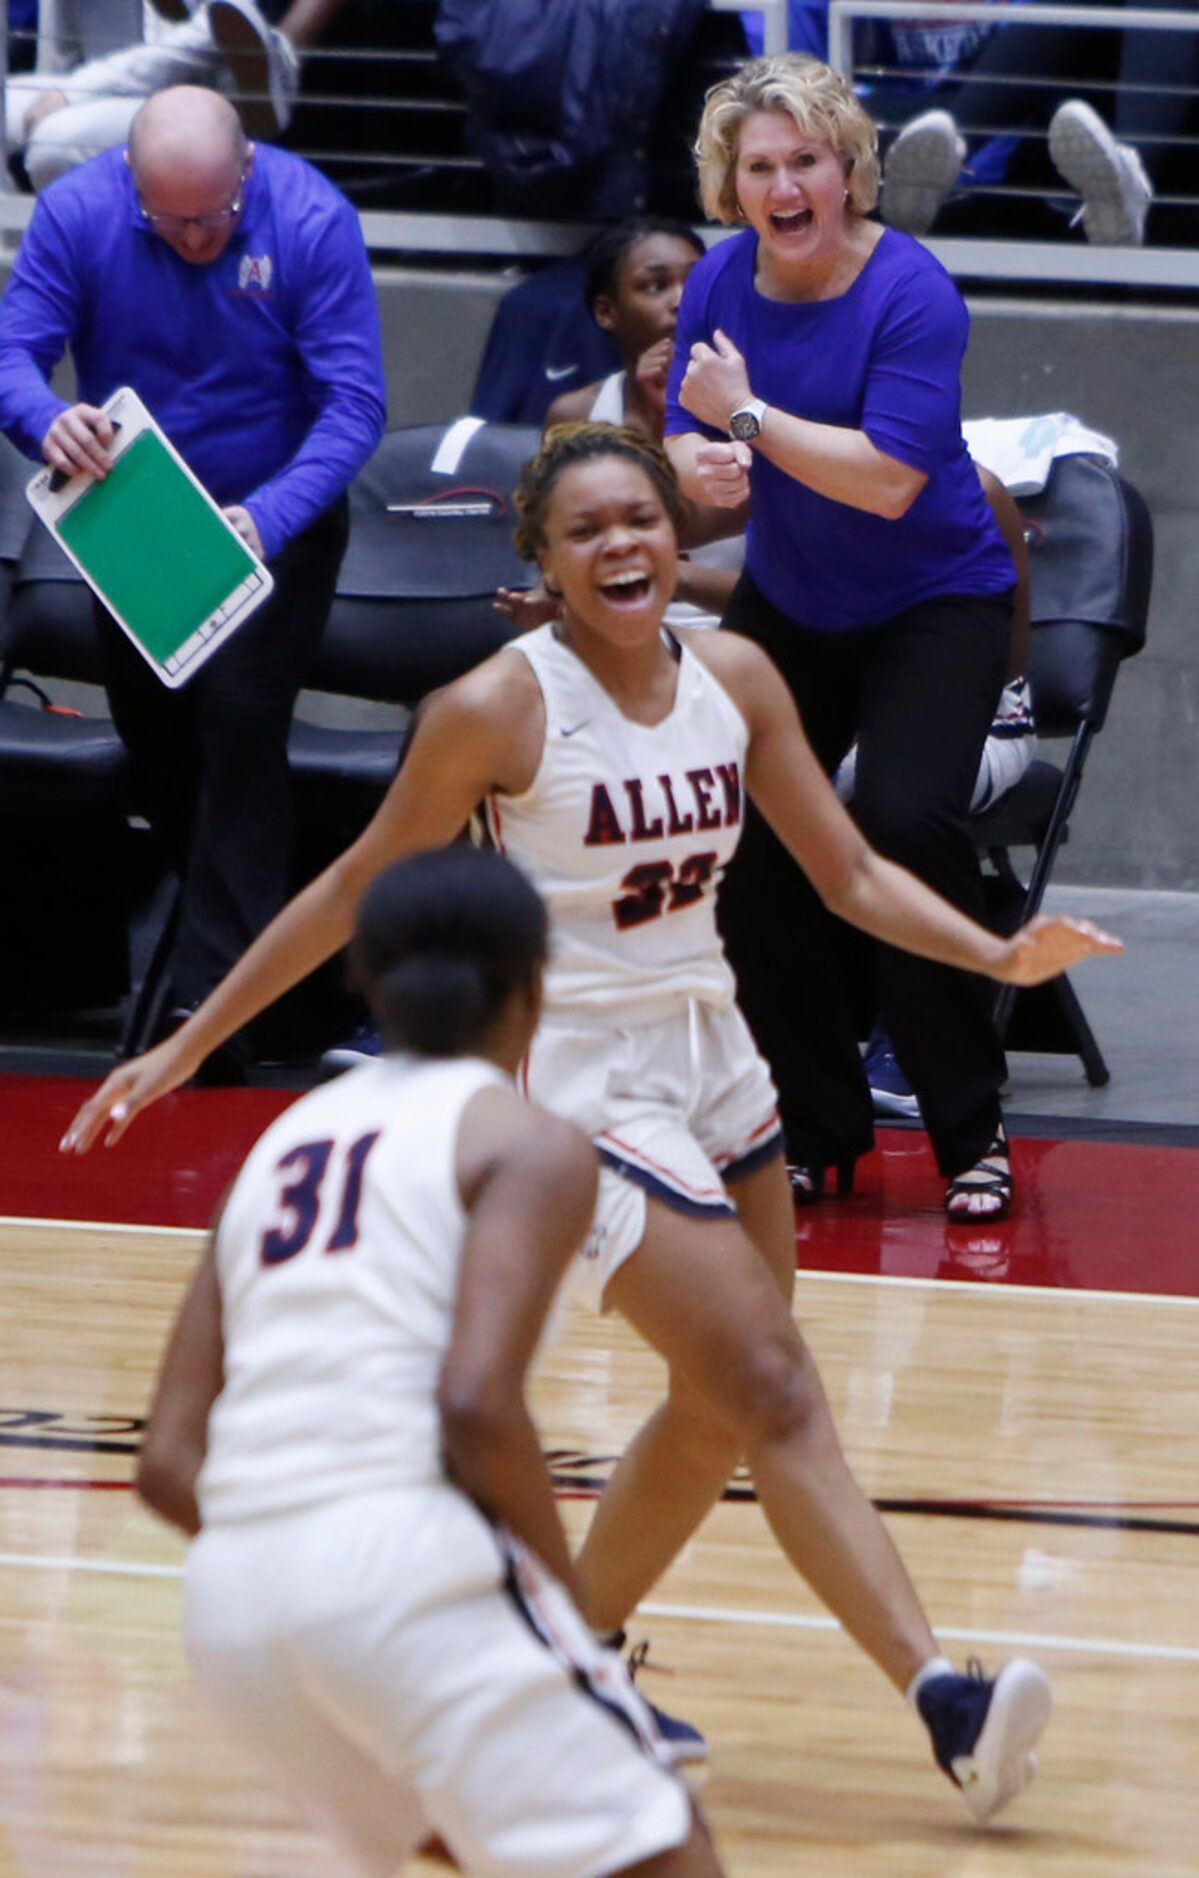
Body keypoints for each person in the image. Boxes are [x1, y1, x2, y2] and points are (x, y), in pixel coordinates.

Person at [65, 424, 1121, 1819]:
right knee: (774, 1380)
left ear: (675, 537)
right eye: (586, 530)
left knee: (717, 1404)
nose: (620, 543)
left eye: (639, 520)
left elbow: (850, 869)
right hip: (575, 1080)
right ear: (544, 562)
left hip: (715, 1059)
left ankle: (565, 1665)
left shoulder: (734, 674)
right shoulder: (495, 709)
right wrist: (187, 1040)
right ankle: (946, 1698)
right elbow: (353, 889)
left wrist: (994, 956)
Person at [137, 842, 724, 1877]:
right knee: (665, 1847)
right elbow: (474, 1402)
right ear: (536, 984)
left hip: (230, 1611)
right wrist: (571, 1624)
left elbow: (167, 1462)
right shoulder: (525, 1142)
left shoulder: (276, 1148)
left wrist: (285, 1566)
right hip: (400, 1564)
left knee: (488, 1849)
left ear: (364, 982)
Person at [663, 53, 1034, 1219]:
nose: (782, 185)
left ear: (848, 173)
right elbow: (687, 442)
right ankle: (815, 1127)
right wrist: (706, 459)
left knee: (898, 825)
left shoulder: (911, 292)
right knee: (747, 836)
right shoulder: (720, 281)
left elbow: (882, 481)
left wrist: (751, 425)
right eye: (758, 165)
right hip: (796, 595)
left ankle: (968, 1128)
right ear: (731, 183)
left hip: (934, 599)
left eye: (804, 162)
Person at [0, 85, 386, 1068]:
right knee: (163, 747)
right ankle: (294, 996)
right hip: (138, 517)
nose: (195, 241)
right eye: (169, 222)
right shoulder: (79, 213)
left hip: (273, 515)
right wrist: (46, 418)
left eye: (213, 218)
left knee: (239, 725)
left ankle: (205, 1017)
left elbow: (352, 405)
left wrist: (269, 517)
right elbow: (12, 353)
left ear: (246, 170)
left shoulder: (310, 219)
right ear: (132, 184)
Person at [495, 216, 745, 638]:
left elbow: (782, 601)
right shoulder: (574, 414)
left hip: (730, 632)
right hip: (609, 632)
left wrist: (658, 417)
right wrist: (546, 597)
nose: (680, 300)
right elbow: (559, 561)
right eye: (655, 286)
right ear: (606, 311)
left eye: (696, 282)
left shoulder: (751, 410)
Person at [4, 0, 342, 190]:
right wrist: (58, 92)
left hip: (186, 90)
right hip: (99, 87)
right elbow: (61, 54)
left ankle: (87, 272)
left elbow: (215, 29)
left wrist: (73, 92)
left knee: (54, 145)